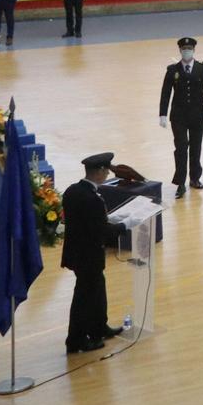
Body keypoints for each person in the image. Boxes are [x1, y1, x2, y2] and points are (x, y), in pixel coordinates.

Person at [62, 151, 119, 354]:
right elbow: (101, 231)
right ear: (100, 171)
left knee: (97, 289)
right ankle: (76, 340)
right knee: (84, 297)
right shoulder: (92, 199)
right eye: (106, 171)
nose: (107, 175)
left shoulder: (72, 191)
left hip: (76, 253)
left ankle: (99, 327)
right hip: (89, 256)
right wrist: (124, 225)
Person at [157, 37, 203, 198]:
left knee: (196, 146)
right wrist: (162, 114)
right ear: (180, 51)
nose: (186, 51)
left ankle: (195, 178)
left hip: (198, 115)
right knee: (181, 148)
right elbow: (165, 93)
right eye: (184, 49)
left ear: (194, 50)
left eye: (189, 48)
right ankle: (180, 183)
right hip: (179, 116)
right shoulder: (172, 70)